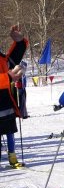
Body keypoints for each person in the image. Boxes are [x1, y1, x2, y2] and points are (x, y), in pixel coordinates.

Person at [0, 25, 28, 168]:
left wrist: (20, 42)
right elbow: (8, 75)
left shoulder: (1, 58)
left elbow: (12, 60)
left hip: (5, 102)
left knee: (10, 131)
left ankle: (12, 158)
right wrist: (8, 78)